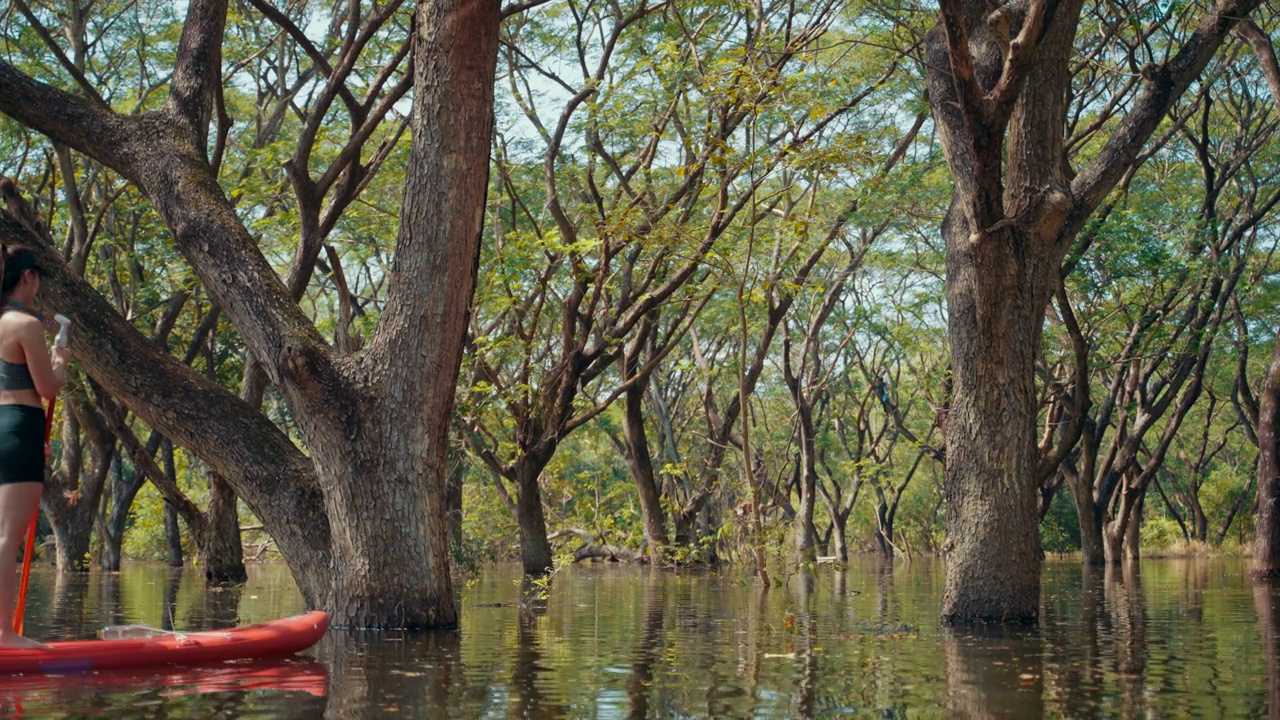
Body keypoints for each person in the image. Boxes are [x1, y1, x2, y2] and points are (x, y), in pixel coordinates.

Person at [0, 248, 69, 648]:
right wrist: (61, 360)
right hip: (19, 426)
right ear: (29, 276)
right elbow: (48, 387)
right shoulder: (24, 324)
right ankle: (5, 634)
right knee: (8, 537)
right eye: (38, 279)